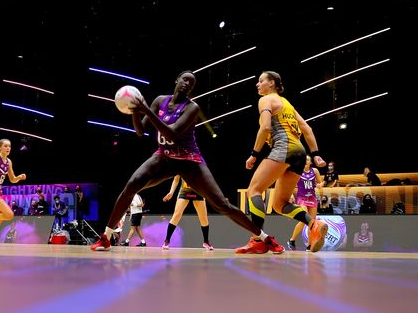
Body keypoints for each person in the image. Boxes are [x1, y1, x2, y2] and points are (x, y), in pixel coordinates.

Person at [91, 70, 280, 251]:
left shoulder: (192, 107)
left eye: (191, 83)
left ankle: (265, 238)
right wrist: (134, 111)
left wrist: (146, 110)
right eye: (185, 79)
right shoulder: (160, 101)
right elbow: (140, 132)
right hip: (164, 157)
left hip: (189, 161)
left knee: (222, 204)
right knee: (131, 185)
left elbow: (171, 134)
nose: (187, 83)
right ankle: (106, 237)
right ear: (177, 80)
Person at [240, 71, 328, 254]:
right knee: (279, 204)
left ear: (271, 83)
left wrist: (254, 154)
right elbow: (307, 128)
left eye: (260, 81)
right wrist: (316, 154)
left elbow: (264, 127)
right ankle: (313, 223)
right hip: (300, 153)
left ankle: (258, 240)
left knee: (254, 190)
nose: (257, 84)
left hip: (283, 148)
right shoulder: (287, 104)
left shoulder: (265, 100)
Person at [159, 175, 214, 250]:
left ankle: (206, 242)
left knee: (203, 218)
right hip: (184, 191)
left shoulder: (200, 163)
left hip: (198, 191)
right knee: (176, 215)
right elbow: (176, 179)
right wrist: (171, 192)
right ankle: (167, 241)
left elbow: (205, 178)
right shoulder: (181, 165)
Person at [286, 155, 323, 251]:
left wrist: (319, 185)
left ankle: (310, 245)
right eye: (304, 160)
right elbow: (290, 184)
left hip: (312, 198)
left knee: (312, 223)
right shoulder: (298, 171)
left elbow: (321, 182)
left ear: (310, 162)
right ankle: (292, 240)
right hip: (302, 198)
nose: (306, 161)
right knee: (304, 219)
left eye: (307, 160)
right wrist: (291, 195)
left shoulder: (315, 171)